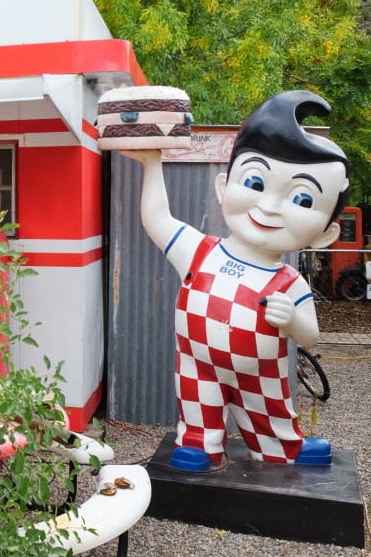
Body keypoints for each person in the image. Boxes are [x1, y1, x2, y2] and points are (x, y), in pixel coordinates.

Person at [123, 90, 350, 471]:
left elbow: (309, 335)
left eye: (303, 200)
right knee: (197, 406)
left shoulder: (289, 280)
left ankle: (284, 445)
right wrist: (151, 164)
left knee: (271, 410)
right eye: (256, 183)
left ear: (325, 234)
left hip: (262, 370)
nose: (269, 206)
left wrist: (291, 320)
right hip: (198, 362)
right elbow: (158, 219)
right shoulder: (200, 250)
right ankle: (199, 443)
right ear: (223, 186)